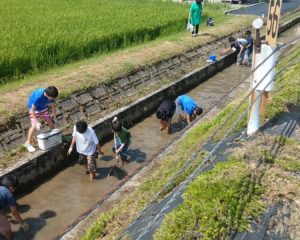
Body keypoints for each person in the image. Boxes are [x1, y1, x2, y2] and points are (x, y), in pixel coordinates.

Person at [25, 86, 59, 153]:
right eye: (52, 98)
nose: (53, 99)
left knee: (50, 122)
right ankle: (28, 144)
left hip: (43, 107)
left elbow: (53, 105)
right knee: (34, 126)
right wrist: (37, 122)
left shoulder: (51, 94)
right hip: (34, 109)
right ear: (46, 95)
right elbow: (32, 110)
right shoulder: (38, 97)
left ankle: (54, 137)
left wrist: (54, 117)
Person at [0, 175, 29, 240]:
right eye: (15, 189)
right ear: (11, 188)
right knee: (6, 228)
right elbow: (14, 212)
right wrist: (22, 223)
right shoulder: (9, 195)